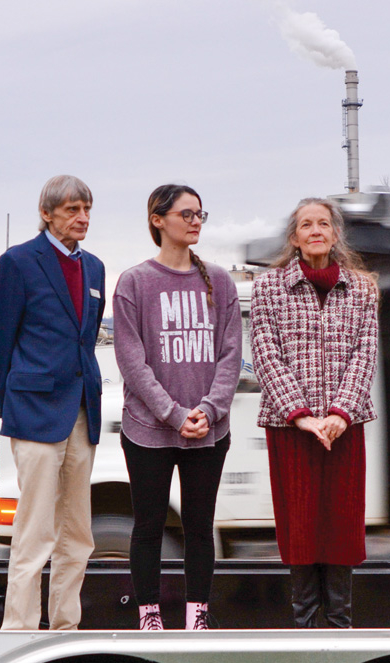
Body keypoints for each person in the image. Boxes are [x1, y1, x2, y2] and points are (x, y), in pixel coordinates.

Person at [113, 185, 242, 631]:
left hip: (209, 429)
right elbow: (131, 360)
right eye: (186, 213)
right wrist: (172, 413)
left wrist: (209, 409)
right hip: (149, 429)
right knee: (148, 526)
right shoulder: (134, 282)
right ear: (157, 219)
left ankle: (197, 617)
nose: (195, 221)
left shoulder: (220, 281)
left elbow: (230, 354)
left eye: (200, 214)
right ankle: (150, 617)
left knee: (199, 527)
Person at [0, 175, 106, 631]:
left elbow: (85, 338)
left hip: (81, 410)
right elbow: (0, 338)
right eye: (73, 209)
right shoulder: (18, 262)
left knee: (78, 532)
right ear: (47, 212)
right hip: (35, 410)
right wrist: (12, 396)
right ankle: (17, 629)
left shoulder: (94, 268)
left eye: (87, 209)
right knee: (34, 529)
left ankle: (64, 627)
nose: (82, 218)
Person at [250, 198, 379, 628]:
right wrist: (302, 416)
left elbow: (366, 353)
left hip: (345, 427)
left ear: (336, 233)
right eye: (306, 225)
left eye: (324, 223)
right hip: (292, 429)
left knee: (341, 526)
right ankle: (303, 623)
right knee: (301, 526)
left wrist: (341, 413)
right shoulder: (269, 287)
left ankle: (340, 623)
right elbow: (266, 354)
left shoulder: (362, 288)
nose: (316, 230)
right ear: (294, 237)